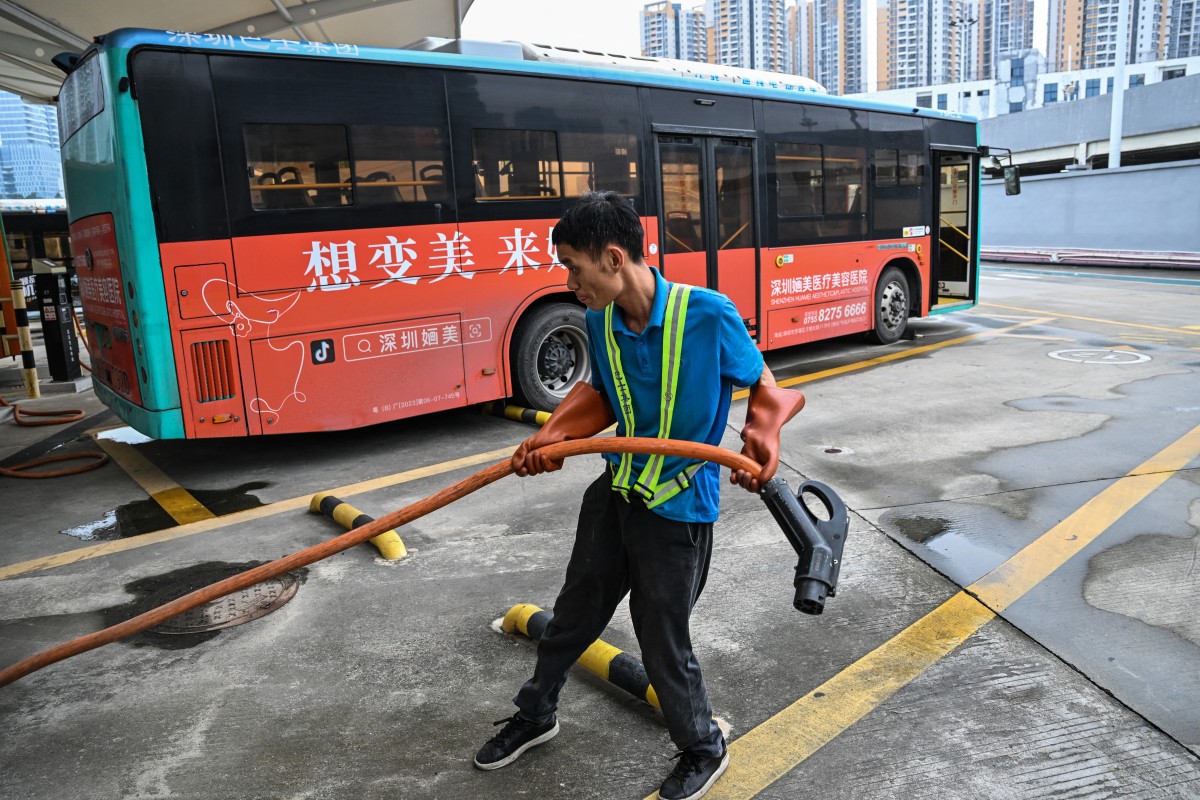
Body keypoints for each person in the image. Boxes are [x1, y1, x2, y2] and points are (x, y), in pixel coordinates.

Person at [474, 192, 803, 800]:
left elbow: (765, 387)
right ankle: (536, 713)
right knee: (572, 616)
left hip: (678, 510)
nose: (570, 282)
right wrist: (552, 436)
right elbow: (601, 394)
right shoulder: (600, 321)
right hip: (617, 493)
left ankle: (703, 747)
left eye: (574, 266)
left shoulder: (709, 314)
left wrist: (763, 434)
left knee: (661, 639)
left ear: (614, 257)